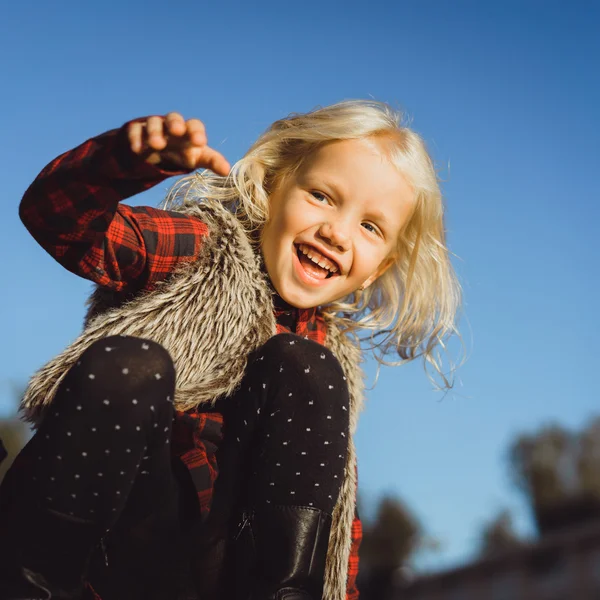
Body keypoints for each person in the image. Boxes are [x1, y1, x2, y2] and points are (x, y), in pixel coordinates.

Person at [0, 101, 460, 600]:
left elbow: (335, 524)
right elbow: (57, 218)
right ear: (272, 187)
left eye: (370, 227)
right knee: (131, 365)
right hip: (122, 539)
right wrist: (123, 160)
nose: (337, 232)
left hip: (224, 570)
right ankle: (30, 584)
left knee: (306, 367)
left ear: (378, 266)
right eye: (323, 196)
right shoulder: (202, 251)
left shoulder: (328, 367)